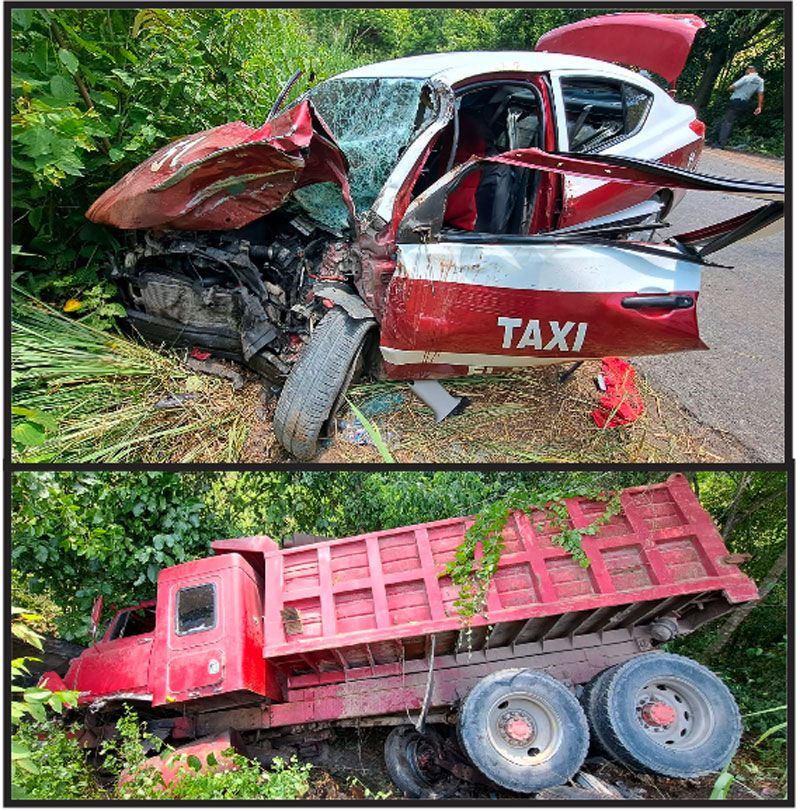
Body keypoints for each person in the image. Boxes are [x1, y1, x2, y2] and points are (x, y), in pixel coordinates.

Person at [714, 65, 765, 149]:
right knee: (728, 120)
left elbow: (732, 87)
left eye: (747, 68)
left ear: (751, 70)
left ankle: (721, 144)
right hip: (744, 103)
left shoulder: (746, 78)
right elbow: (760, 94)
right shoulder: (760, 81)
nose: (746, 70)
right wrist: (759, 106)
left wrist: (729, 89)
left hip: (735, 101)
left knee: (727, 122)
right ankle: (714, 139)